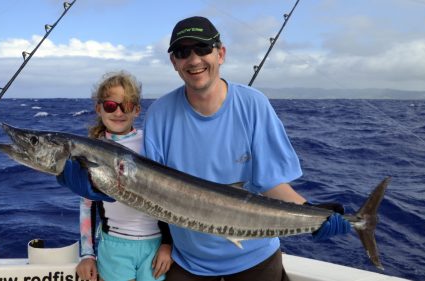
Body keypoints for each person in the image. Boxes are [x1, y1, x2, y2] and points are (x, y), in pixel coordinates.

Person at [142, 16, 351, 281]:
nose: (194, 60)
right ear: (174, 62)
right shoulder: (158, 114)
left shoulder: (254, 104)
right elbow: (153, 192)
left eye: (203, 48)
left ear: (221, 53)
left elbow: (270, 181)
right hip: (189, 263)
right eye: (183, 52)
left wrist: (311, 212)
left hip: (256, 259)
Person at [57, 71, 173, 281]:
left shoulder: (151, 143)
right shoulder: (89, 149)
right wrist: (87, 255)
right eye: (111, 106)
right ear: (99, 108)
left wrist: (167, 243)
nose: (118, 112)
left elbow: (170, 197)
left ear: (137, 110)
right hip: (114, 244)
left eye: (126, 105)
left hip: (155, 244)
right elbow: (86, 206)